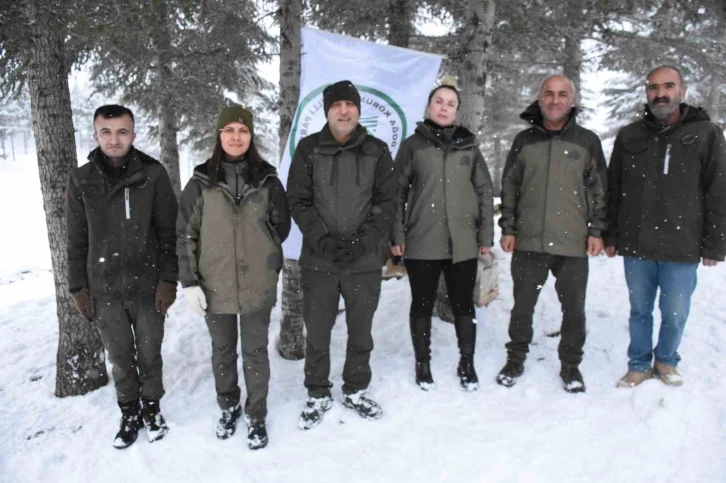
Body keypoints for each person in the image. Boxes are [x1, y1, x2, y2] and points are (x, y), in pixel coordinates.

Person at [177, 106, 290, 449]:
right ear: (219, 136)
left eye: (243, 130)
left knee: (255, 351)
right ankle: (228, 407)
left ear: (251, 136)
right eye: (229, 130)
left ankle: (256, 414)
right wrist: (190, 282)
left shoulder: (268, 179)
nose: (236, 137)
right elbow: (185, 234)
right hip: (215, 284)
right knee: (223, 349)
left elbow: (281, 226)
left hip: (258, 281)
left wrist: (265, 257)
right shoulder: (200, 182)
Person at [606, 65, 726, 388]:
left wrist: (715, 244)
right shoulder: (630, 135)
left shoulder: (706, 134)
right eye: (654, 87)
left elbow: (718, 191)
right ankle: (639, 363)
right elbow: (614, 189)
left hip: (681, 244)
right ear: (647, 92)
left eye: (668, 86)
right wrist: (611, 235)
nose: (661, 93)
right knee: (639, 311)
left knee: (675, 313)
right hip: (637, 243)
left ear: (682, 91)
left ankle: (667, 360)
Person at [66, 104, 178, 449]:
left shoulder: (153, 174)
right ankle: (129, 412)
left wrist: (168, 280)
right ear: (95, 134)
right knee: (120, 357)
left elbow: (168, 232)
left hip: (148, 287)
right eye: (106, 132)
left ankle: (152, 407)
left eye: (122, 132)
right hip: (104, 288)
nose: (114, 139)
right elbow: (75, 238)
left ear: (133, 134)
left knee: (149, 353)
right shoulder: (82, 178)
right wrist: (78, 288)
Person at [287, 80, 397, 429]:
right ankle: (318, 391)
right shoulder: (308, 149)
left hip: (363, 261)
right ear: (327, 111)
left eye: (350, 105)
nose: (344, 111)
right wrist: (322, 239)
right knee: (317, 331)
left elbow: (387, 201)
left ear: (359, 111)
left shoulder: (377, 150)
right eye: (337, 105)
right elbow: (298, 200)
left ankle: (355, 388)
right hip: (319, 260)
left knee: (360, 330)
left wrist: (362, 242)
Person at [496, 75, 608, 393]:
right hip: (529, 240)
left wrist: (597, 230)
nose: (555, 100)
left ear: (572, 100)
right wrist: (508, 227)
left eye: (562, 94)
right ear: (540, 98)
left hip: (572, 242)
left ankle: (571, 366)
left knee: (573, 309)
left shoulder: (587, 141)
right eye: (549, 94)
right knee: (522, 307)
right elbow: (510, 186)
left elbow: (600, 190)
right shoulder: (524, 140)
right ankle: (515, 359)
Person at [391, 79, 494, 392]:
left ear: (457, 111)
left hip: (463, 240)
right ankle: (423, 362)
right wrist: (396, 233)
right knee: (421, 303)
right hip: (422, 238)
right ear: (428, 106)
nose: (444, 107)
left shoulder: (470, 146)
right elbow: (395, 193)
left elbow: (484, 190)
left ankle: (467, 361)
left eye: (451, 103)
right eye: (439, 101)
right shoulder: (412, 146)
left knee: (464, 303)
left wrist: (485, 233)